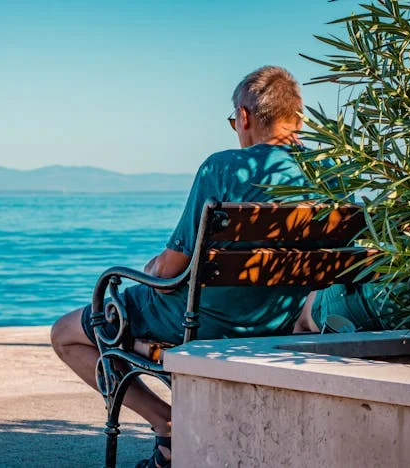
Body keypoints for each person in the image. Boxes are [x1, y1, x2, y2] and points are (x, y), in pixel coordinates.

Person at [51, 66, 313, 468]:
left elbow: (171, 267)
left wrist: (153, 268)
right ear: (297, 118)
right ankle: (156, 382)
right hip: (276, 320)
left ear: (244, 117)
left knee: (67, 333)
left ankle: (165, 424)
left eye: (234, 121)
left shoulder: (224, 168)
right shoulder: (327, 173)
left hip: (201, 322)